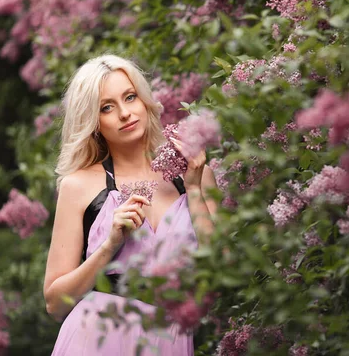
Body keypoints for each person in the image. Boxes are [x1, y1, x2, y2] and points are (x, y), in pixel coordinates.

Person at [43, 54, 218, 355]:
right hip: (96, 336)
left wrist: (193, 188)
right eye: (107, 107)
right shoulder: (79, 186)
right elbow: (55, 304)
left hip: (170, 337)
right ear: (93, 123)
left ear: (144, 100)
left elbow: (223, 272)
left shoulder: (195, 176)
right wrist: (108, 248)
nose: (124, 113)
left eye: (130, 97)